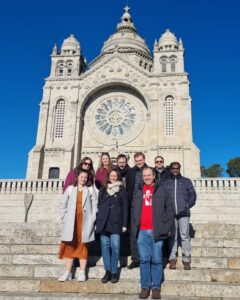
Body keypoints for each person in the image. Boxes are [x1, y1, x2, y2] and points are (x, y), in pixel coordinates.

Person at [131, 167, 174, 299]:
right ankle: (145, 287)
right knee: (144, 260)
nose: (147, 177)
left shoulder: (162, 189)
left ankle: (156, 288)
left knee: (156, 260)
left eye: (149, 175)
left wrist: (164, 227)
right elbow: (133, 209)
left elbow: (170, 209)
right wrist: (134, 225)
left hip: (156, 231)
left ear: (154, 175)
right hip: (142, 231)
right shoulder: (138, 190)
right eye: (145, 175)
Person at [58, 170, 98, 282]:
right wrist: (64, 217)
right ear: (77, 177)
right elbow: (63, 204)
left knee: (82, 246)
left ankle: (81, 272)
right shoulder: (70, 189)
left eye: (85, 177)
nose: (83, 179)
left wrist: (93, 217)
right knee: (70, 247)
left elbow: (95, 204)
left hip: (84, 222)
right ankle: (68, 272)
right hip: (71, 222)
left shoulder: (90, 190)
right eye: (82, 177)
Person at [96, 169, 128, 283]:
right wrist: (98, 221)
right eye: (111, 175)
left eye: (115, 176)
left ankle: (114, 271)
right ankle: (107, 271)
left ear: (118, 177)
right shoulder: (103, 190)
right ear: (108, 177)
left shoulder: (122, 190)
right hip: (104, 223)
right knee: (105, 248)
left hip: (116, 223)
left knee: (115, 248)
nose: (113, 177)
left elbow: (125, 208)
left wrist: (124, 224)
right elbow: (99, 205)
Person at [164, 162, 197, 270]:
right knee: (172, 236)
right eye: (173, 168)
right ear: (170, 169)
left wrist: (187, 205)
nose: (175, 170)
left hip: (184, 213)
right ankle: (172, 258)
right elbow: (163, 196)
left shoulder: (186, 181)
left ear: (180, 168)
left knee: (185, 235)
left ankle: (186, 259)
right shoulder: (166, 182)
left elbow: (193, 194)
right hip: (171, 213)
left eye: (177, 168)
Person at [126, 152, 147, 269]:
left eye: (141, 160)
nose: (139, 162)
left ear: (144, 159)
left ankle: (146, 257)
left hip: (147, 205)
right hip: (134, 205)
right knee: (133, 233)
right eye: (137, 160)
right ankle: (135, 259)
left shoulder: (150, 170)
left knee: (147, 233)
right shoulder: (130, 172)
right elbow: (128, 187)